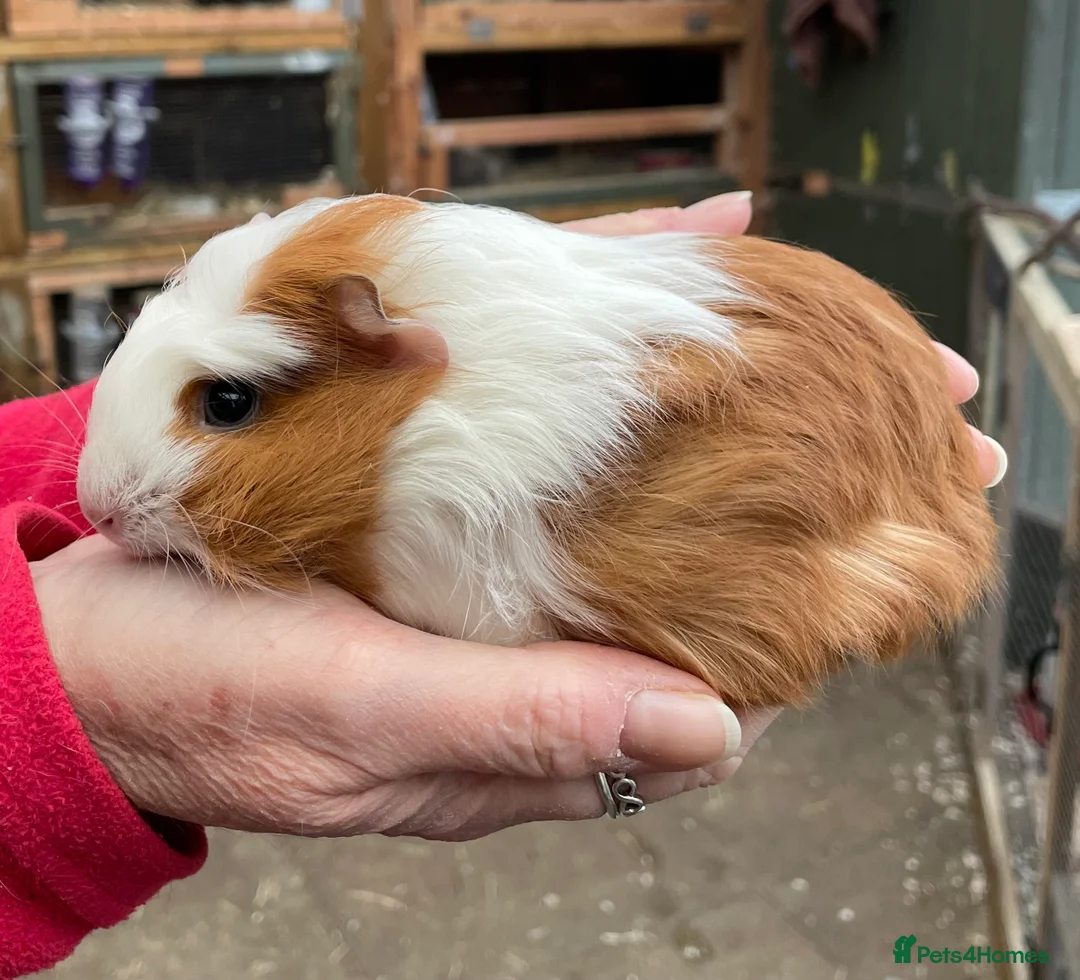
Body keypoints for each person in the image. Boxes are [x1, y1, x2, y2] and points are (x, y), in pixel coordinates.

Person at [0, 193, 1005, 979]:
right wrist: (49, 707)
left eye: (225, 403)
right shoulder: (430, 388)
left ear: (397, 353)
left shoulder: (513, 457)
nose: (102, 498)